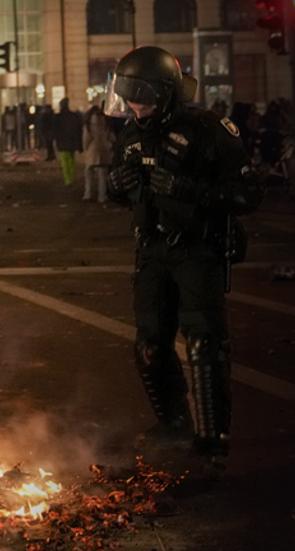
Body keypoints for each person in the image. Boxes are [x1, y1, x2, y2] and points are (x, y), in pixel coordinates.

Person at [104, 46, 264, 481]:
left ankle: (213, 443)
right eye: (128, 96)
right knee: (150, 346)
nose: (135, 106)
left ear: (169, 94)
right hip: (151, 251)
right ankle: (173, 422)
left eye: (144, 97)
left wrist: (189, 190)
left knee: (204, 345)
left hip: (197, 250)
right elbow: (123, 189)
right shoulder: (132, 134)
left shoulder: (210, 131)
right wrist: (116, 186)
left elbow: (249, 193)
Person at [82, 103, 114, 203]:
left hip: (92, 150)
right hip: (104, 149)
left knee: (88, 172)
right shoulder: (106, 123)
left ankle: (88, 193)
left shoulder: (88, 124)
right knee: (103, 174)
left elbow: (86, 139)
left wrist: (85, 148)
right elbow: (112, 137)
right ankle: (102, 195)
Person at [53, 98, 84, 186]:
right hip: (72, 141)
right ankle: (71, 178)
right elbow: (78, 130)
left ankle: (68, 179)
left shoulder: (58, 117)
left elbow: (55, 130)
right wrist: (79, 144)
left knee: (65, 162)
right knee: (71, 161)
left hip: (62, 142)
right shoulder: (73, 116)